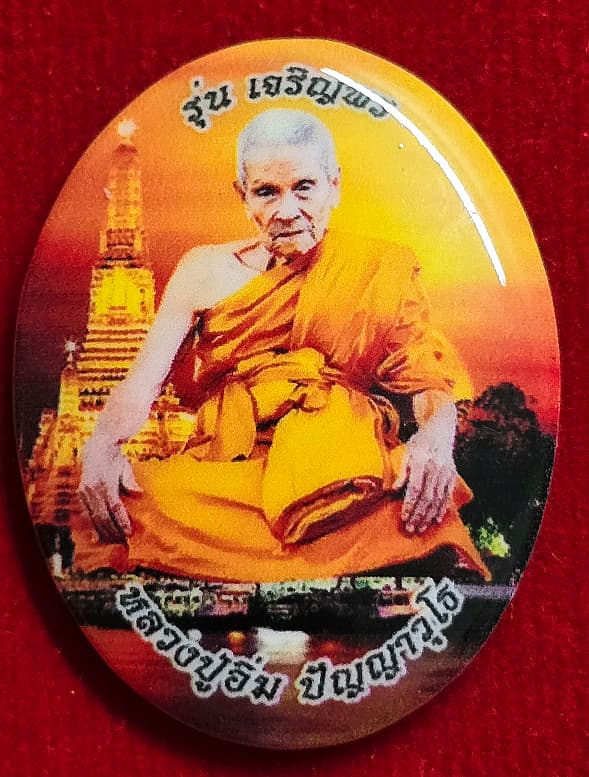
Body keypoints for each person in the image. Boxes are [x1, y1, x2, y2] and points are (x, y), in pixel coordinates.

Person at [79, 108, 489, 582]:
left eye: (304, 188)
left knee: (414, 495)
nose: (286, 211)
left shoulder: (379, 267)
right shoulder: (202, 271)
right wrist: (101, 445)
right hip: (233, 470)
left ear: (334, 186)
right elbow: (140, 386)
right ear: (243, 195)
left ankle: (256, 558)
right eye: (267, 192)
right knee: (129, 500)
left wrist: (435, 440)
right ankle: (317, 555)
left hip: (339, 471)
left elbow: (428, 382)